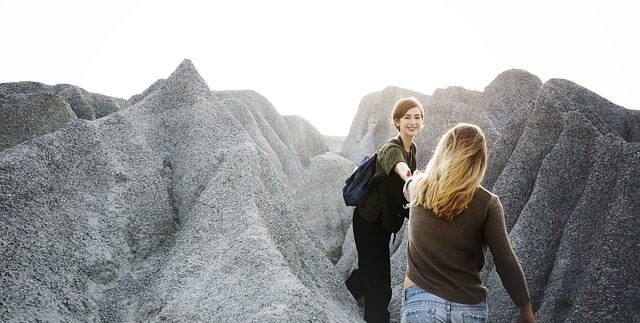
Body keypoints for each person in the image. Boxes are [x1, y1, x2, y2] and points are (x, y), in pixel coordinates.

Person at [401, 123, 535, 323]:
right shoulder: (488, 203)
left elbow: (407, 185)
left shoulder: (417, 187)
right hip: (468, 310)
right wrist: (525, 308)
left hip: (422, 302)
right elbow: (505, 260)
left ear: (442, 152)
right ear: (479, 160)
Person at [346, 97, 425, 323]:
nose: (412, 122)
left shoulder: (412, 149)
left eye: (417, 117)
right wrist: (412, 180)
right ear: (397, 121)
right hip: (369, 219)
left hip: (383, 222)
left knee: (371, 267)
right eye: (407, 117)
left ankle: (343, 293)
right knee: (379, 277)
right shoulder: (392, 149)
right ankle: (377, 318)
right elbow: (402, 170)